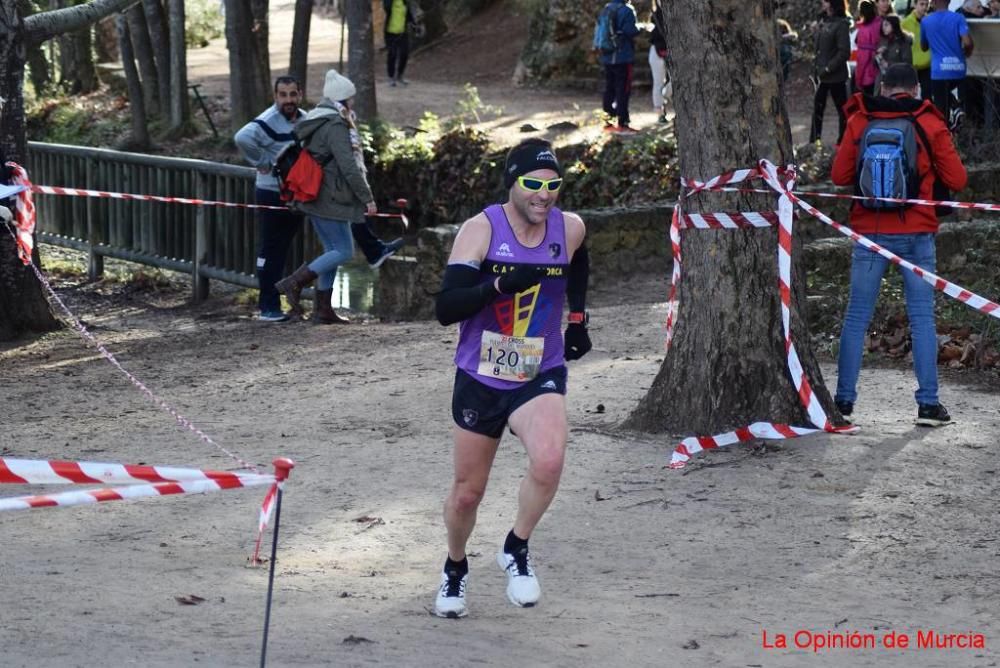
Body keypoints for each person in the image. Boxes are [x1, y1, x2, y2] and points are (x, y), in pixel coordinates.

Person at [431, 138, 592, 618]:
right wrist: (498, 284)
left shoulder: (571, 227)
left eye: (554, 185)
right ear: (512, 183)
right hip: (481, 375)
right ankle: (455, 568)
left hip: (537, 368)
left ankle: (516, 547)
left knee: (549, 460)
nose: (545, 194)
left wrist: (578, 319)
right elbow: (446, 308)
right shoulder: (480, 231)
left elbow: (579, 262)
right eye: (533, 184)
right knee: (467, 493)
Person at [830, 63, 967, 427]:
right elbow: (958, 178)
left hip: (868, 232)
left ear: (884, 87)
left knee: (856, 317)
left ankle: (842, 403)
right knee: (922, 318)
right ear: (916, 89)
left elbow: (839, 176)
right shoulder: (929, 121)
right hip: (917, 233)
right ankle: (927, 405)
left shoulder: (860, 119)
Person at [274, 70, 376, 325]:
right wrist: (367, 197)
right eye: (350, 99)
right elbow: (348, 166)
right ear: (341, 100)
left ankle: (323, 310)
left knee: (333, 250)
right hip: (329, 195)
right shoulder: (335, 125)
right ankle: (294, 282)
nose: (353, 103)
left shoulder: (321, 117)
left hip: (317, 194)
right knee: (343, 251)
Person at [234, 76, 307, 323]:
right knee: (271, 249)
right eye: (283, 95)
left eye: (292, 94)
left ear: (300, 94)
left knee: (286, 248)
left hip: (296, 194)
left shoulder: (305, 119)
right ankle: (268, 306)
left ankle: (291, 303)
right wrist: (264, 162)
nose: (288, 100)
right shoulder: (267, 120)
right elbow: (242, 138)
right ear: (275, 96)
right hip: (271, 193)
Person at [920, 0, 974, 129]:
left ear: (933, 2)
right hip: (958, 69)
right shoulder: (958, 18)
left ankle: (947, 136)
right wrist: (967, 53)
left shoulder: (926, 21)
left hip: (939, 71)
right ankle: (956, 109)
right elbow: (967, 42)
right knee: (956, 97)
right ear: (949, 1)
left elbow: (923, 47)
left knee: (941, 111)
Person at [811, 0, 853, 143]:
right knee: (817, 109)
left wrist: (828, 68)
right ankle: (814, 141)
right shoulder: (822, 21)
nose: (822, 3)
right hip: (821, 76)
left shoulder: (841, 24)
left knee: (842, 111)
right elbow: (819, 49)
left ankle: (843, 141)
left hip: (836, 76)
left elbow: (844, 52)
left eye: (826, 1)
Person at [598, 0, 641, 134]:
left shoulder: (606, 9)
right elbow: (631, 31)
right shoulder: (627, 10)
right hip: (623, 57)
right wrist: (639, 29)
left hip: (607, 56)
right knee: (623, 89)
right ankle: (623, 122)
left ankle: (608, 121)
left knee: (609, 87)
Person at [901, 0, 933, 99]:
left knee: (927, 94)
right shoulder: (905, 23)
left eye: (926, 4)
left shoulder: (930, 21)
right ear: (915, 5)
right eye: (921, 4)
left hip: (927, 64)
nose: (924, 7)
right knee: (910, 95)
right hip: (912, 65)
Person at [874, 15, 914, 89]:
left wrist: (888, 64)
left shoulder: (903, 41)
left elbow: (907, 63)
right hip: (883, 81)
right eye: (883, 25)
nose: (883, 28)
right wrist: (877, 54)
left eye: (886, 25)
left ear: (894, 25)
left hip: (898, 81)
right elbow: (874, 64)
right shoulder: (883, 40)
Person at [383, 0, 416, 86]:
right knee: (392, 54)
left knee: (405, 53)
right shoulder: (389, 3)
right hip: (390, 33)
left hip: (402, 32)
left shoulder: (404, 2)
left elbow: (408, 14)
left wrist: (414, 25)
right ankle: (391, 77)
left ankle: (400, 75)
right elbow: (385, 8)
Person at [855, 0, 883, 96]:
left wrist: (858, 79)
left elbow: (863, 58)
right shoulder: (880, 23)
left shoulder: (863, 30)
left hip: (867, 73)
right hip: (880, 68)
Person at [649, 5, 670, 123]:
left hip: (671, 51)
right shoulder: (657, 13)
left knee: (670, 84)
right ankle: (660, 113)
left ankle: (664, 97)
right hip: (657, 50)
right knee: (658, 83)